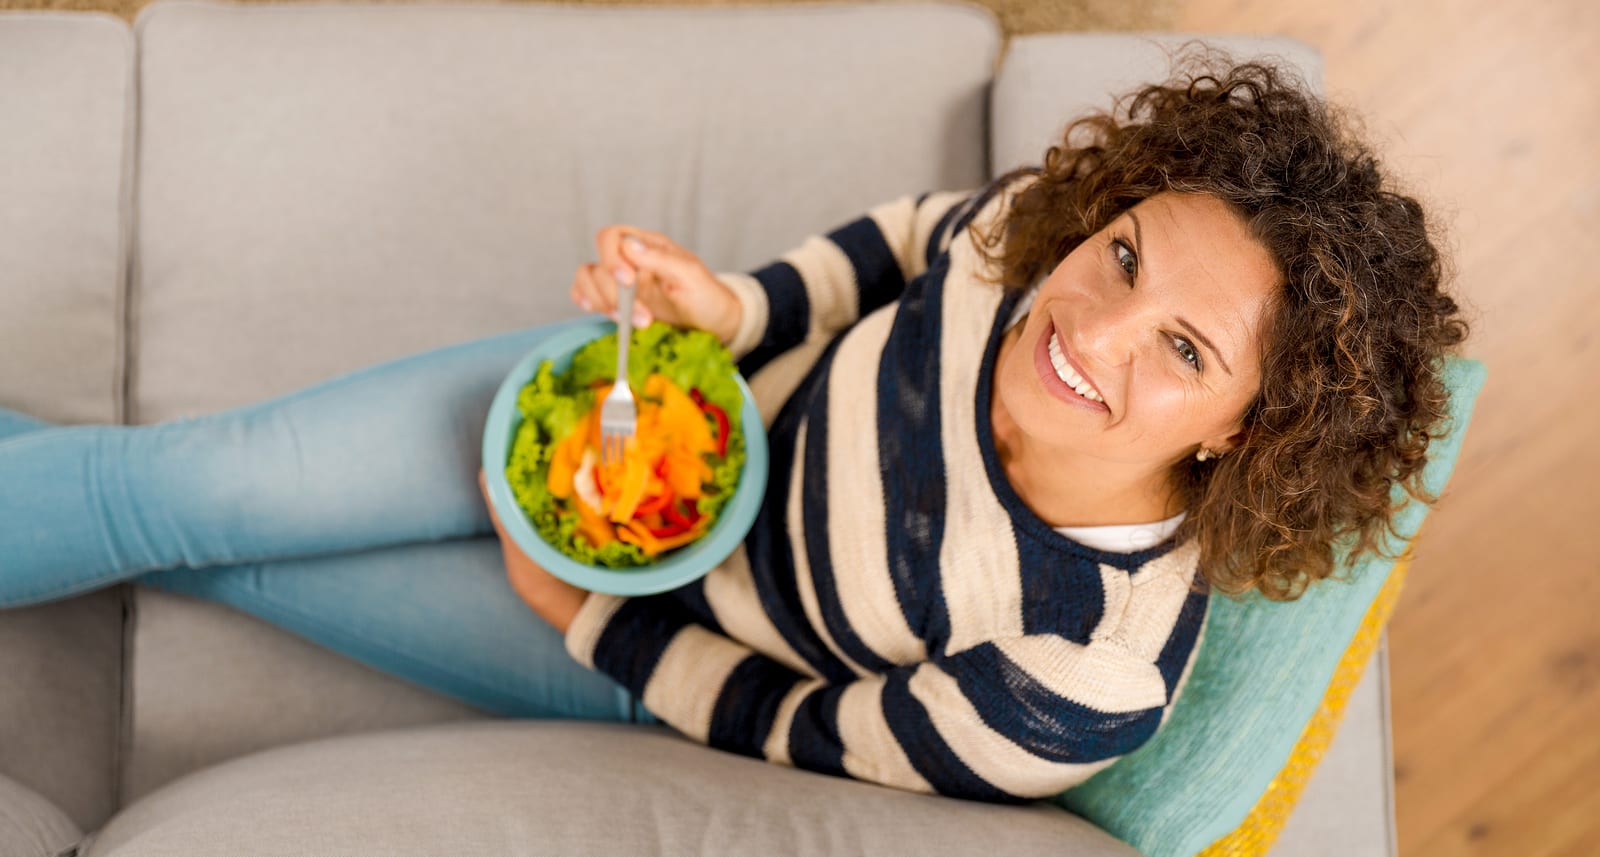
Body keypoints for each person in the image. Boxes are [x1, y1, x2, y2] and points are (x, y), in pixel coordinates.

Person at [0, 55, 1467, 803]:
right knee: (195, 485)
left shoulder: (1087, 670)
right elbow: (912, 239)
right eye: (1129, 256)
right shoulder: (1047, 238)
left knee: (225, 550)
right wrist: (739, 312)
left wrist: (597, 623)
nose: (1090, 323)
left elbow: (822, 732)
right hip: (661, 403)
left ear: (1243, 435)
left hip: (655, 630)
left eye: (1185, 351)